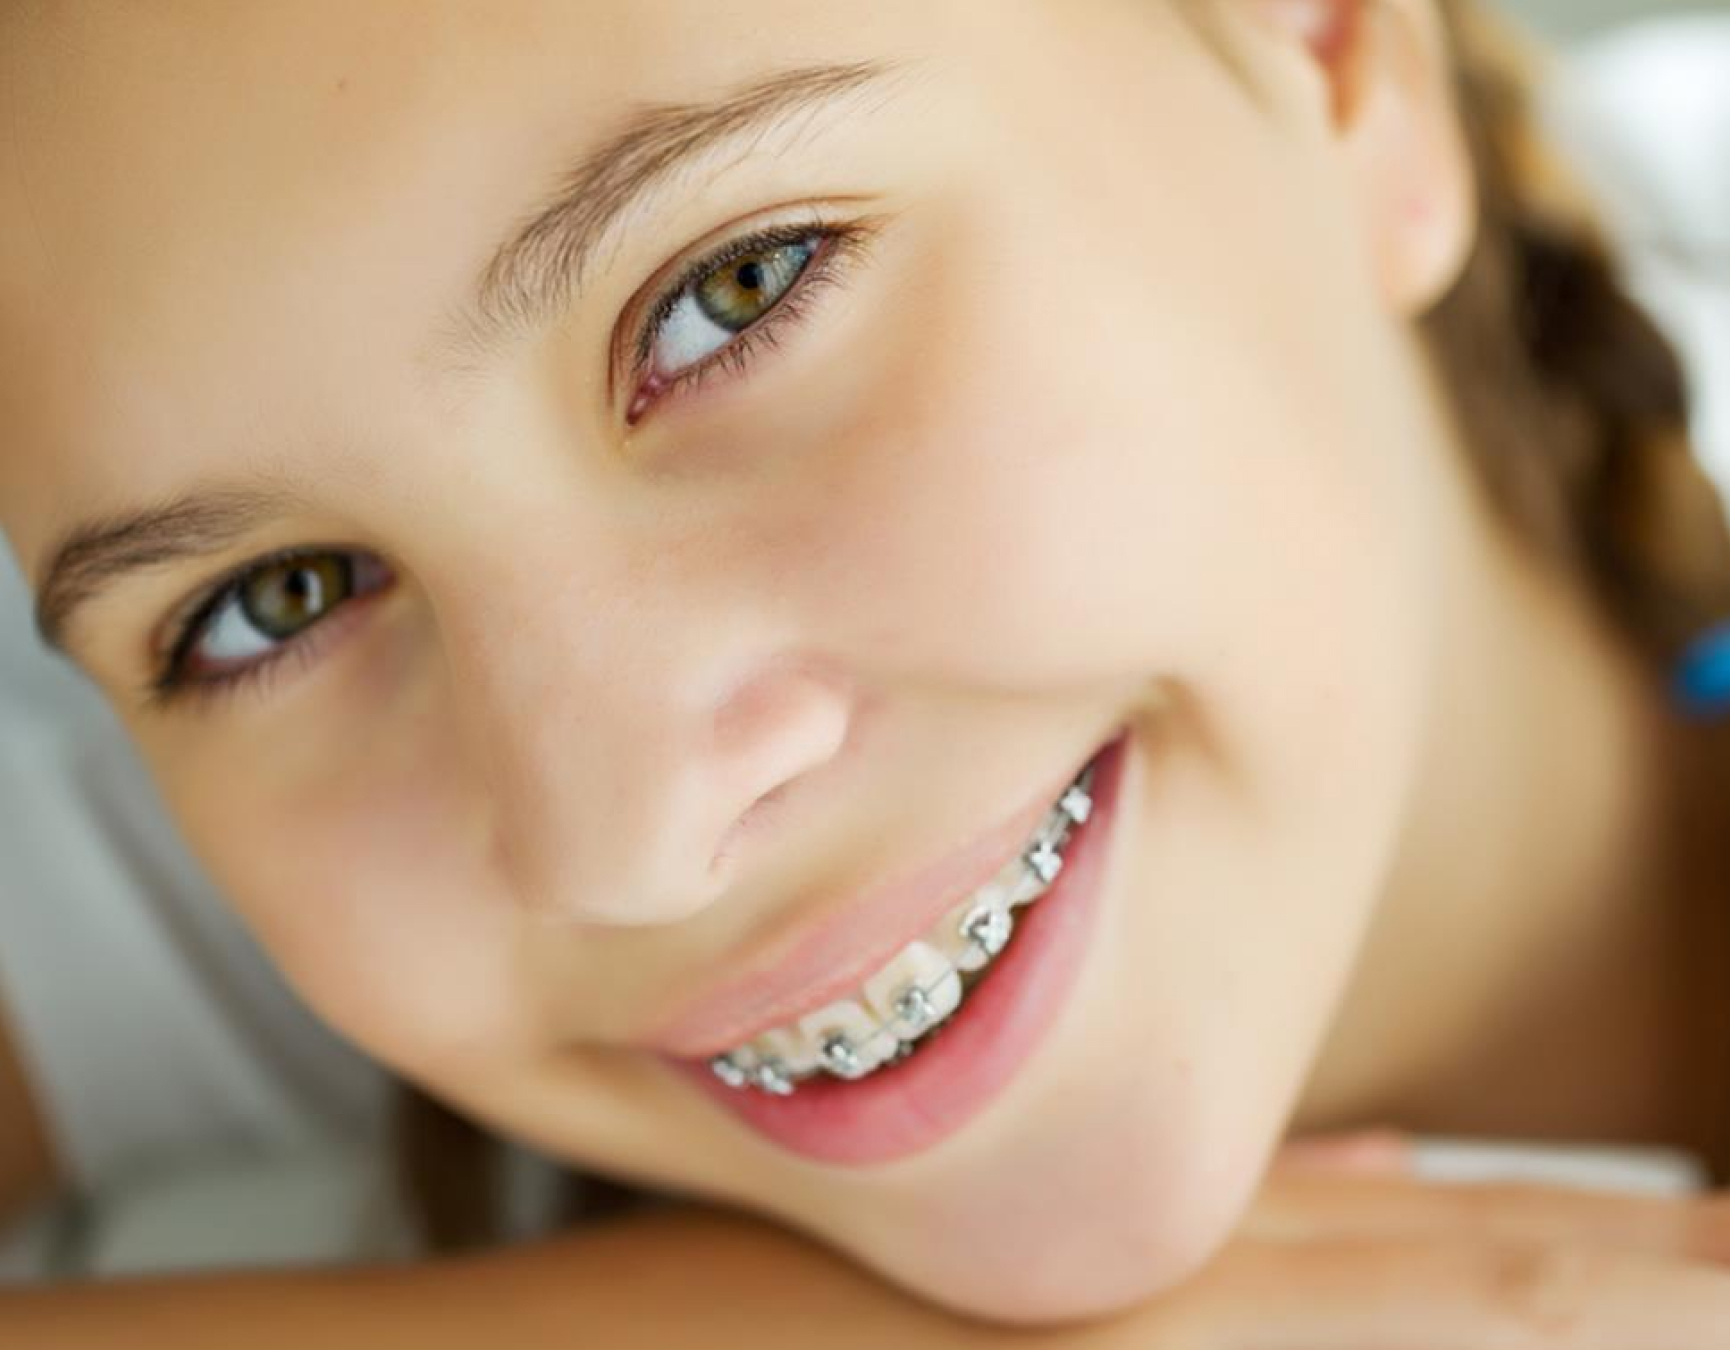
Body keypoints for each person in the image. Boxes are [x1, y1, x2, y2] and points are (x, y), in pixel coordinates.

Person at [3, 0, 1730, 1343]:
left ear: (1332, 55)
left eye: (731, 292)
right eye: (276, 601)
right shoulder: (265, 892)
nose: (629, 842)